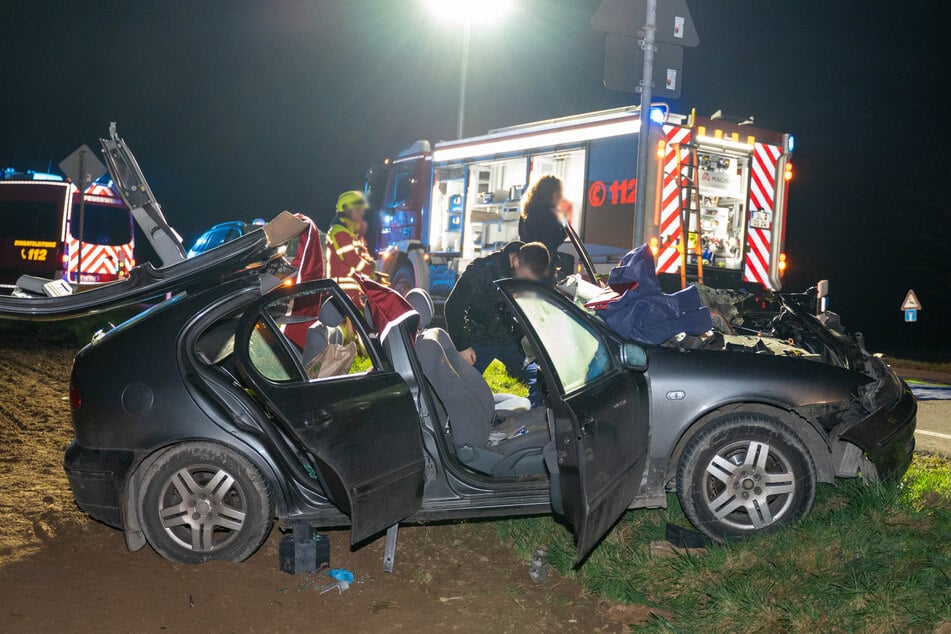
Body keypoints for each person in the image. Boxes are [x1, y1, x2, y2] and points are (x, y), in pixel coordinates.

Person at [444, 241, 550, 407]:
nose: (526, 281)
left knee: (542, 379)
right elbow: (453, 306)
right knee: (461, 390)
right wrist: (462, 346)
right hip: (480, 340)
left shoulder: (527, 267)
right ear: (515, 260)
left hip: (510, 339)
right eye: (526, 277)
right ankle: (457, 426)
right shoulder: (482, 272)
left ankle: (535, 417)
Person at [326, 190, 377, 308]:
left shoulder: (353, 233)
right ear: (346, 210)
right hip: (341, 291)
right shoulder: (339, 232)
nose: (361, 213)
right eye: (358, 210)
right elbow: (352, 260)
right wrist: (370, 270)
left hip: (353, 291)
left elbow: (363, 255)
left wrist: (374, 274)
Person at [518, 175, 567, 268]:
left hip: (528, 261)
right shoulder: (548, 213)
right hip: (543, 262)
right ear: (552, 193)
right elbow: (553, 239)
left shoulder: (527, 211)